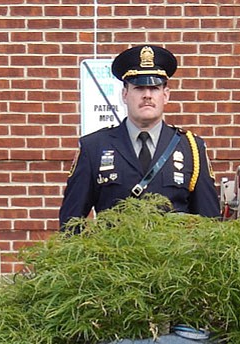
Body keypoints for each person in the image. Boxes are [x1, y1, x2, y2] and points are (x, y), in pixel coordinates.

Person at [59, 44, 221, 227]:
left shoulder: (191, 148)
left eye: (154, 88)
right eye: (139, 88)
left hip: (173, 254)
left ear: (165, 95)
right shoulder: (94, 147)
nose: (147, 95)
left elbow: (210, 224)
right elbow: (70, 224)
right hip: (114, 254)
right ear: (125, 94)